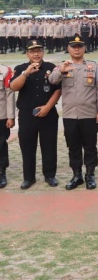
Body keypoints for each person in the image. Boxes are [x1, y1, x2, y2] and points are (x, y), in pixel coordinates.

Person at [48, 34, 98, 190]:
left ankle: (90, 175)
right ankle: (77, 175)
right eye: (74, 46)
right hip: (70, 114)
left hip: (89, 113)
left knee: (90, 146)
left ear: (85, 48)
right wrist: (61, 70)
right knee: (73, 146)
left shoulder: (94, 66)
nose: (77, 49)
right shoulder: (62, 65)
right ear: (68, 48)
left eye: (80, 46)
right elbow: (52, 80)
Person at [10, 39, 61, 189]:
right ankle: (29, 178)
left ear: (43, 52)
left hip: (48, 114)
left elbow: (57, 89)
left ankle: (50, 175)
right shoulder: (20, 69)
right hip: (27, 115)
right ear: (27, 54)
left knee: (49, 146)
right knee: (27, 147)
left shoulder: (51, 68)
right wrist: (26, 74)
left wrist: (47, 107)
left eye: (39, 51)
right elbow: (13, 87)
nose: (36, 54)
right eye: (33, 51)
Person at [0, 63, 15, 188]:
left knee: (0, 144)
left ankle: (1, 172)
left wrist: (10, 116)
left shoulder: (5, 70)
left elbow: (9, 94)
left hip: (1, 115)